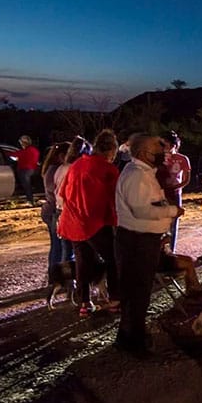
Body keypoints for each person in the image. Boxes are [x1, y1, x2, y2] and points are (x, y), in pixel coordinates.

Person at [114, 135, 184, 356]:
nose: (163, 150)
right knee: (137, 291)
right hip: (138, 241)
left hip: (141, 239)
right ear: (144, 152)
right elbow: (142, 211)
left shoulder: (144, 173)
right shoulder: (137, 176)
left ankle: (128, 335)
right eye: (158, 146)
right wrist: (173, 211)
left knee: (136, 291)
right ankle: (133, 341)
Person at [57, 130, 121, 316]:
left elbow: (63, 194)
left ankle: (84, 303)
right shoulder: (108, 170)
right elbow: (114, 198)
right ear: (110, 150)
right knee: (113, 259)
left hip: (73, 223)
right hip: (94, 222)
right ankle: (116, 299)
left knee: (82, 263)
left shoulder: (77, 164)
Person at [157, 130, 191, 252]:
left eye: (165, 144)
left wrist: (176, 187)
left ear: (173, 145)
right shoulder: (158, 158)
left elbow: (187, 179)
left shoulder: (182, 159)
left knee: (173, 224)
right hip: (159, 194)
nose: (163, 147)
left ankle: (171, 250)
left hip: (175, 194)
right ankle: (160, 251)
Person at [53, 137, 84, 263]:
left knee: (66, 251)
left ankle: (65, 280)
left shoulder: (61, 168)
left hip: (60, 210)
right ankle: (72, 279)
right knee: (75, 251)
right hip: (71, 212)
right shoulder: (76, 169)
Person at [40, 142, 70, 274]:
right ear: (61, 156)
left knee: (56, 246)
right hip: (53, 210)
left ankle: (54, 275)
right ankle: (58, 276)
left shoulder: (49, 168)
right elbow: (56, 193)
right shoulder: (56, 170)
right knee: (60, 247)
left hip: (49, 209)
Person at [6, 135, 40, 204]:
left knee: (27, 186)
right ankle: (30, 199)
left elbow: (13, 155)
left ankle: (30, 200)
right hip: (32, 169)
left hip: (24, 170)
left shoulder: (24, 151)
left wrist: (6, 154)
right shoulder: (35, 151)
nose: (21, 145)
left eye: (21, 143)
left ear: (24, 143)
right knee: (28, 185)